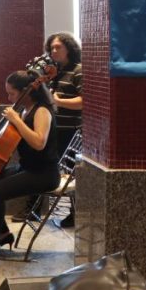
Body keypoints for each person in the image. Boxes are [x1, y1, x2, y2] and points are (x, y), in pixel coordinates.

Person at [0, 70, 61, 263]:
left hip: (44, 174)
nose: (9, 98)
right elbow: (18, 137)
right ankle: (2, 234)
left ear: (27, 91)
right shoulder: (26, 110)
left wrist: (16, 120)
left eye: (12, 93)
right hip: (27, 168)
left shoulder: (42, 111)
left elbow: (39, 142)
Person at [46, 31, 83, 228]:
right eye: (51, 48)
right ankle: (72, 211)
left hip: (72, 130)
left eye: (58, 47)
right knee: (63, 172)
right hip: (56, 128)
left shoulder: (78, 70)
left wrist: (59, 102)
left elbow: (84, 101)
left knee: (73, 173)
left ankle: (76, 213)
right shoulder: (56, 71)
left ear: (69, 48)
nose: (53, 51)